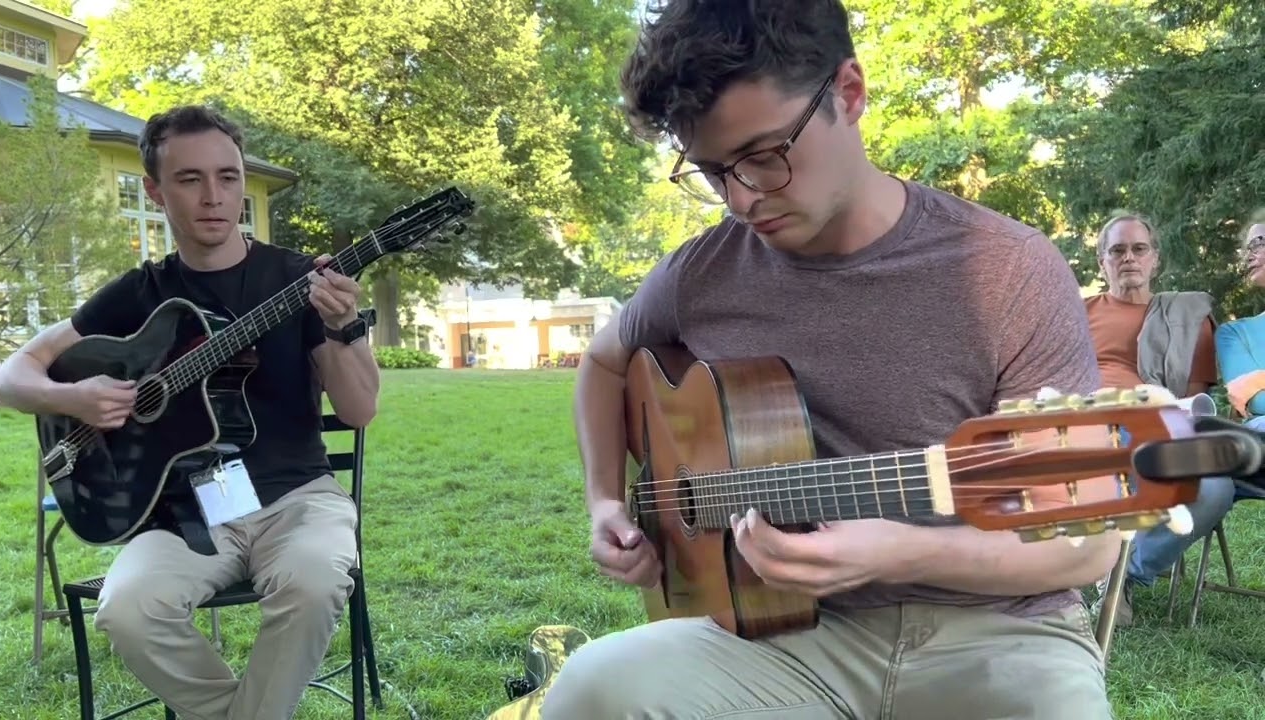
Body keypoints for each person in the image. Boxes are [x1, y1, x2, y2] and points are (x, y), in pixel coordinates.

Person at [542, 2, 1119, 718]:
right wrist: (604, 499)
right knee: (589, 689)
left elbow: (1084, 546)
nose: (742, 199)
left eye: (764, 156)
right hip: (776, 635)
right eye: (714, 172)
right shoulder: (701, 271)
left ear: (848, 93)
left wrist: (901, 552)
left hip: (1000, 629)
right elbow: (602, 365)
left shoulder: (1007, 269)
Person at [0, 105, 380, 720]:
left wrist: (342, 326)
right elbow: (5, 378)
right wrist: (72, 398)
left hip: (298, 499)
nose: (214, 197)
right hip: (187, 513)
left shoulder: (298, 279)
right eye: (190, 179)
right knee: (126, 606)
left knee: (313, 582)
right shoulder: (139, 293)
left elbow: (359, 410)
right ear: (155, 189)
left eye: (228, 178)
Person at [1082, 211, 1233, 627]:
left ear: (1155, 259)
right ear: (1102, 262)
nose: (1128, 257)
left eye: (1138, 248)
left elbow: (1194, 402)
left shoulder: (1186, 318)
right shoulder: (1078, 314)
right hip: (1089, 424)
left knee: (1216, 487)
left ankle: (1121, 576)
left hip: (1161, 426)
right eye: (1117, 250)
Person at [1217, 211, 1265, 432]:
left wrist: (1259, 379)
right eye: (1247, 250)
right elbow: (1258, 403)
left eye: (1258, 243)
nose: (1249, 257)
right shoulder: (1234, 333)